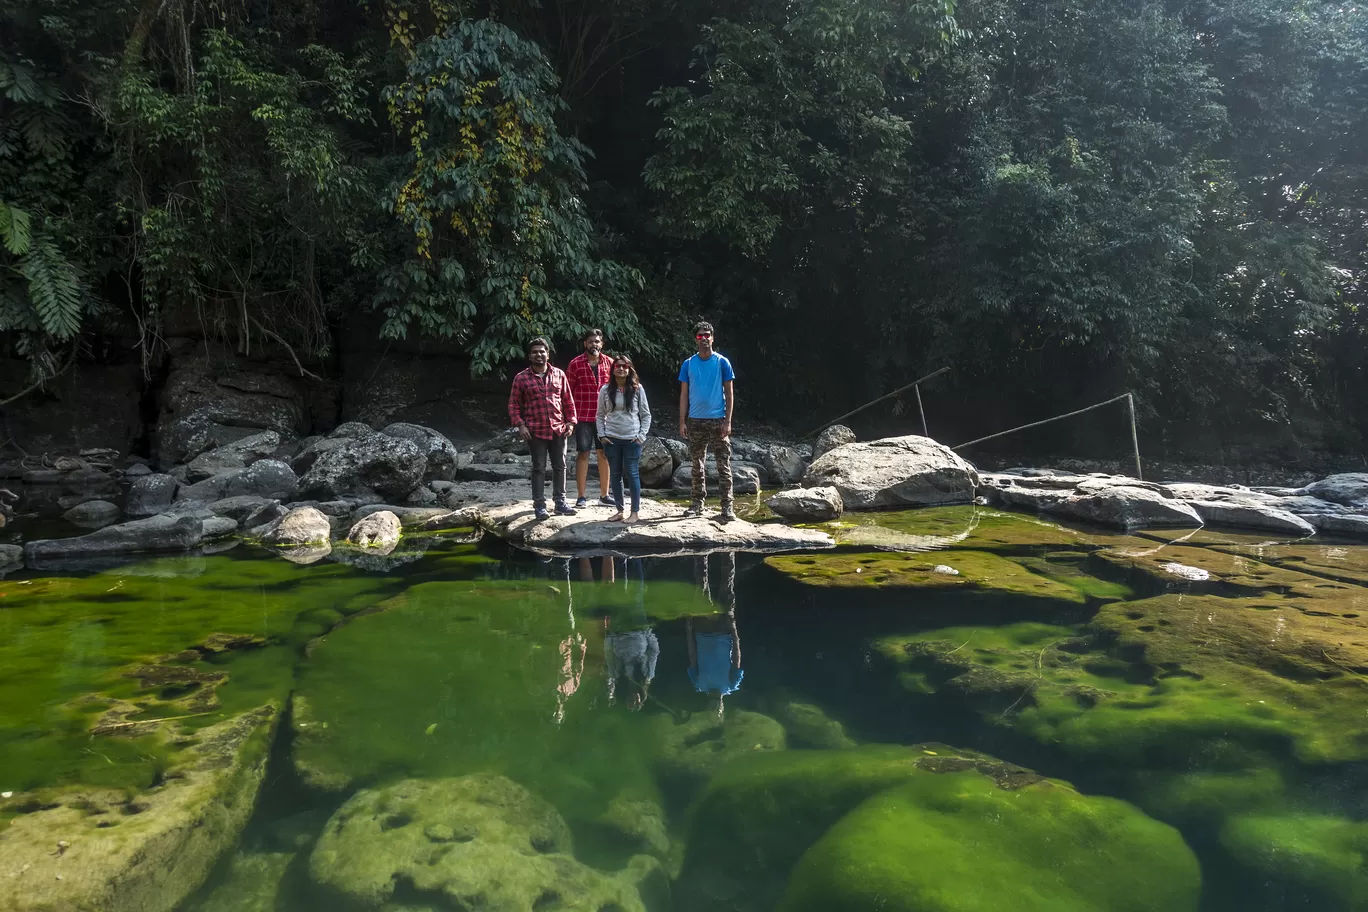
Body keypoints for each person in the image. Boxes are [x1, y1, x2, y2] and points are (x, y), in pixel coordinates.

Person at [508, 337, 578, 519]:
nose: (539, 354)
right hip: (535, 430)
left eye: (542, 351)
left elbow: (568, 400)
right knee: (538, 468)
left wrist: (570, 422)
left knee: (560, 466)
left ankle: (560, 503)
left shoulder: (559, 374)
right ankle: (539, 506)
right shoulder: (521, 378)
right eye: (535, 352)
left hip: (558, 429)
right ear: (529, 356)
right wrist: (520, 425)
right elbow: (513, 404)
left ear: (548, 354)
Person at [678, 321, 736, 522]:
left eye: (707, 335)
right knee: (697, 465)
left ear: (713, 338)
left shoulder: (722, 362)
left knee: (723, 465)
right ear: (696, 339)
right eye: (700, 336)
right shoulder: (688, 364)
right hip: (695, 421)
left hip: (718, 420)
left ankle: (727, 506)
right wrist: (682, 422)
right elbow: (684, 394)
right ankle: (697, 505)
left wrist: (727, 422)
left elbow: (729, 393)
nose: (704, 339)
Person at [686, 551, 742, 719]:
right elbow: (737, 658)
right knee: (726, 585)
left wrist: (689, 630)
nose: (714, 706)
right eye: (717, 710)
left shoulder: (698, 684)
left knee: (700, 585)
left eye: (711, 708)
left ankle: (701, 553)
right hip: (724, 631)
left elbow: (692, 656)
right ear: (722, 707)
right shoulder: (731, 685)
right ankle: (728, 551)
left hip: (702, 631)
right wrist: (734, 630)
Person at [597, 355, 651, 524]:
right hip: (612, 439)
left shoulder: (637, 389)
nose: (621, 368)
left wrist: (641, 436)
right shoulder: (605, 390)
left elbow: (646, 415)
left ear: (629, 369)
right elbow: (599, 415)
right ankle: (620, 510)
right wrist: (602, 435)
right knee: (615, 475)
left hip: (632, 439)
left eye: (625, 366)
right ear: (613, 369)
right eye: (618, 366)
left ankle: (634, 512)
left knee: (633, 474)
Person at [567, 328, 615, 508]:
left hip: (605, 417)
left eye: (597, 341)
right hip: (583, 415)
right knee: (583, 453)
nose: (594, 344)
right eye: (590, 341)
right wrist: (569, 416)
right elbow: (568, 392)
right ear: (585, 343)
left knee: (604, 454)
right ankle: (581, 496)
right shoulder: (575, 364)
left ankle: (604, 495)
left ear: (602, 344)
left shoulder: (610, 363)